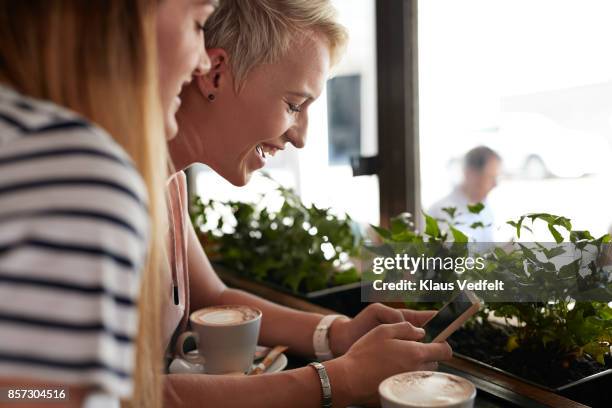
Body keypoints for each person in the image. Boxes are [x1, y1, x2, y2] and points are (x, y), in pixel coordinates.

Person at [163, 1, 452, 407]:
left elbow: (212, 295)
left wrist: (338, 334)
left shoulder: (170, 183)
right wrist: (339, 379)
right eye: (293, 105)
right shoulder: (103, 194)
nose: (300, 138)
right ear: (215, 73)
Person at [0, 1, 212, 407]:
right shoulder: (68, 173)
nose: (202, 62)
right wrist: (330, 378)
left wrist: (331, 337)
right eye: (200, 22)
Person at [428, 146, 501, 242]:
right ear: (471, 174)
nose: (495, 184)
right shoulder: (441, 213)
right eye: (491, 177)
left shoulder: (485, 209)